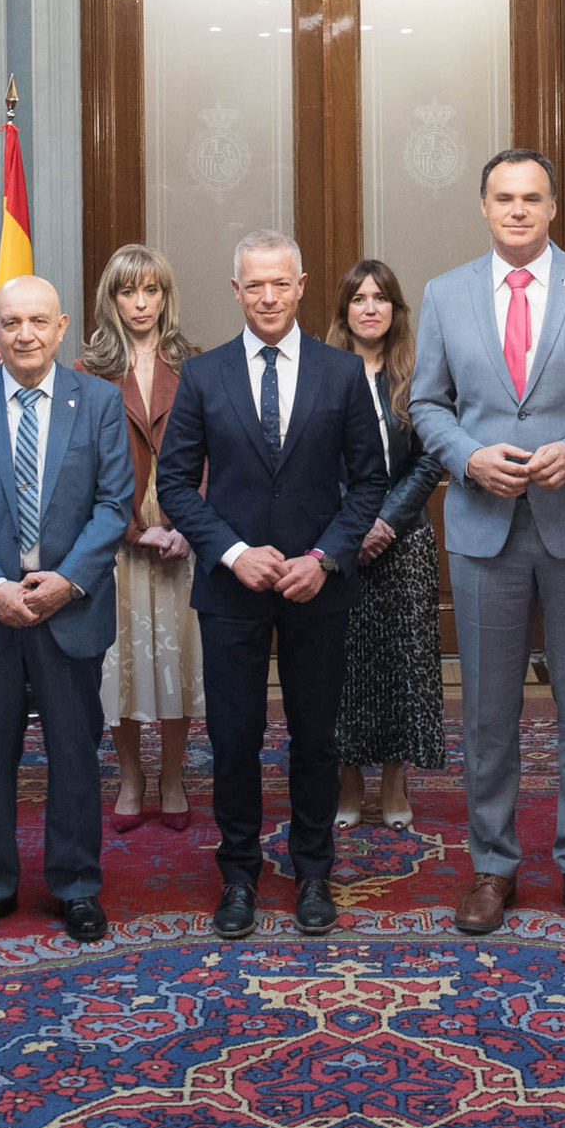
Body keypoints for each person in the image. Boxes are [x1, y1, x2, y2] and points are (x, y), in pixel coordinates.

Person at [409, 146, 565, 942]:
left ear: (552, 208)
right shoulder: (446, 294)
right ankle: (494, 865)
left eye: (532, 198)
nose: (517, 210)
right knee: (488, 712)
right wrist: (466, 457)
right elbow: (426, 402)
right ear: (484, 208)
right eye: (503, 197)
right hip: (486, 527)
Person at [159, 230, 387, 937]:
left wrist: (323, 558)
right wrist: (230, 553)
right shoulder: (202, 375)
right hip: (232, 592)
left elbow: (370, 482)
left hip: (317, 590)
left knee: (315, 738)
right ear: (236, 290)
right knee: (234, 738)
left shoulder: (342, 373)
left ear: (301, 285)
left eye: (279, 284)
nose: (266, 296)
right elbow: (173, 484)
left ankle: (314, 872)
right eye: (253, 284)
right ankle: (238, 877)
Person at [0, 274, 134, 944]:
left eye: (37, 321)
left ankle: (76, 885)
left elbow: (114, 506)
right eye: (11, 322)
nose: (24, 334)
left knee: (74, 755)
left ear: (62, 325)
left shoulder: (99, 402)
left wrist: (66, 582)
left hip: (68, 611)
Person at [78, 243, 201, 830]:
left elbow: (214, 455)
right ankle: (130, 777)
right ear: (111, 298)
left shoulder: (196, 364)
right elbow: (79, 465)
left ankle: (172, 776)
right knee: (118, 662)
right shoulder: (87, 371)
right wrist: (127, 529)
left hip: (181, 530)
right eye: (128, 291)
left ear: (165, 296)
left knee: (178, 657)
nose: (140, 303)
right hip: (114, 534)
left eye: (150, 290)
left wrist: (187, 527)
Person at [327, 258, 445, 829]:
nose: (370, 307)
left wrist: (386, 523)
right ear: (344, 310)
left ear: (396, 311)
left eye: (381, 298)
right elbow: (309, 463)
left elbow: (430, 459)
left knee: (404, 665)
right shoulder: (318, 372)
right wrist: (353, 527)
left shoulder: (419, 375)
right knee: (342, 668)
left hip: (405, 542)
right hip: (337, 543)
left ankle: (395, 783)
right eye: (359, 298)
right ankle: (347, 785)